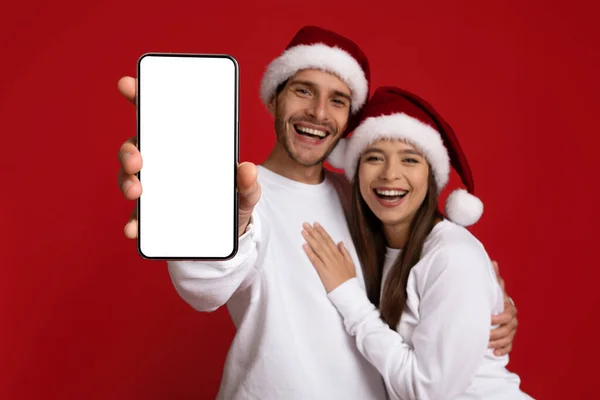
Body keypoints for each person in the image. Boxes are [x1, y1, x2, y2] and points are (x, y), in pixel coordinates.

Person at [116, 26, 519, 399]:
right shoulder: (244, 194)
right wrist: (220, 218)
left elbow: (420, 270)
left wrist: (480, 304)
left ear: (348, 122)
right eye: (304, 91)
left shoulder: (364, 198)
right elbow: (202, 287)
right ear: (275, 96)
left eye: (337, 100)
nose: (319, 113)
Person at [302, 86, 532, 399]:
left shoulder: (452, 255)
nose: (390, 174)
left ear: (431, 176)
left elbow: (427, 392)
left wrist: (348, 296)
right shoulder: (382, 249)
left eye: (409, 160)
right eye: (374, 158)